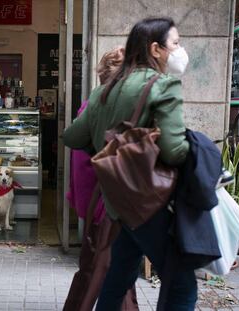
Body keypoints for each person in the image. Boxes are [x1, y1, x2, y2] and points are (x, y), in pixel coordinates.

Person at [63, 17, 196, 310]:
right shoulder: (164, 85)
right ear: (156, 49)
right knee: (181, 283)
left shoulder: (104, 90)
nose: (179, 49)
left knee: (118, 277)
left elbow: (71, 136)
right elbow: (174, 151)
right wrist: (197, 150)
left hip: (117, 205)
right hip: (150, 205)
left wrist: (106, 149)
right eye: (175, 43)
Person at [64, 47, 138, 311]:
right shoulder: (109, 109)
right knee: (100, 274)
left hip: (101, 205)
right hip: (107, 207)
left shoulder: (93, 105)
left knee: (107, 273)